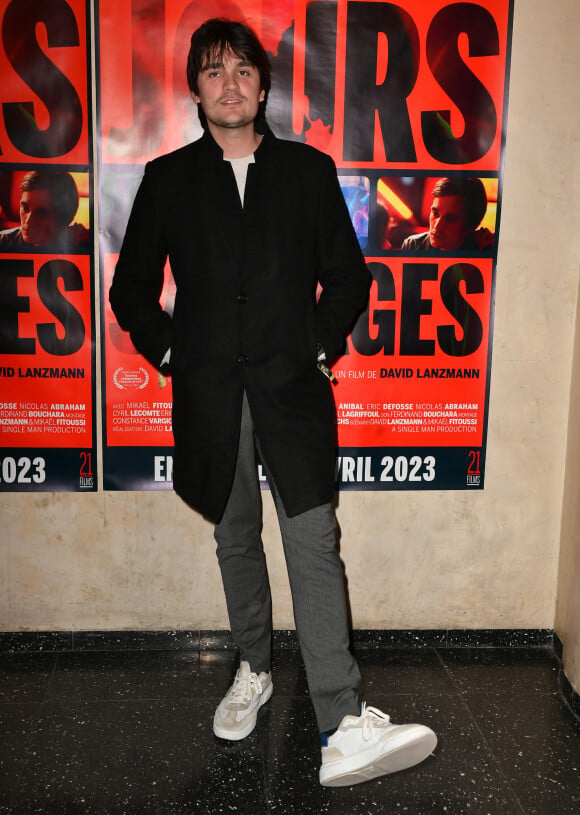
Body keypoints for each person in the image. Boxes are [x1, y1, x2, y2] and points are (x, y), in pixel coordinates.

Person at [109, 17, 437, 787]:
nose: (230, 83)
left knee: (314, 539)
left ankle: (340, 719)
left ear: (264, 84)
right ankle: (254, 666)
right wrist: (171, 354)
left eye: (244, 70)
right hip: (211, 396)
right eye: (214, 71)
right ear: (195, 88)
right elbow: (131, 292)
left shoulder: (308, 173)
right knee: (234, 539)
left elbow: (348, 279)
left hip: (292, 393)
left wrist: (319, 348)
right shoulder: (168, 179)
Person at [0, 171, 89, 251]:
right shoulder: (3, 241)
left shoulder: (81, 244)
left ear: (63, 218)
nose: (28, 221)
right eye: (25, 208)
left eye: (41, 213)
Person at [401, 177, 492, 252]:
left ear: (470, 225)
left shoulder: (482, 248)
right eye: (435, 213)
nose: (437, 226)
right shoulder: (413, 245)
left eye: (450, 219)